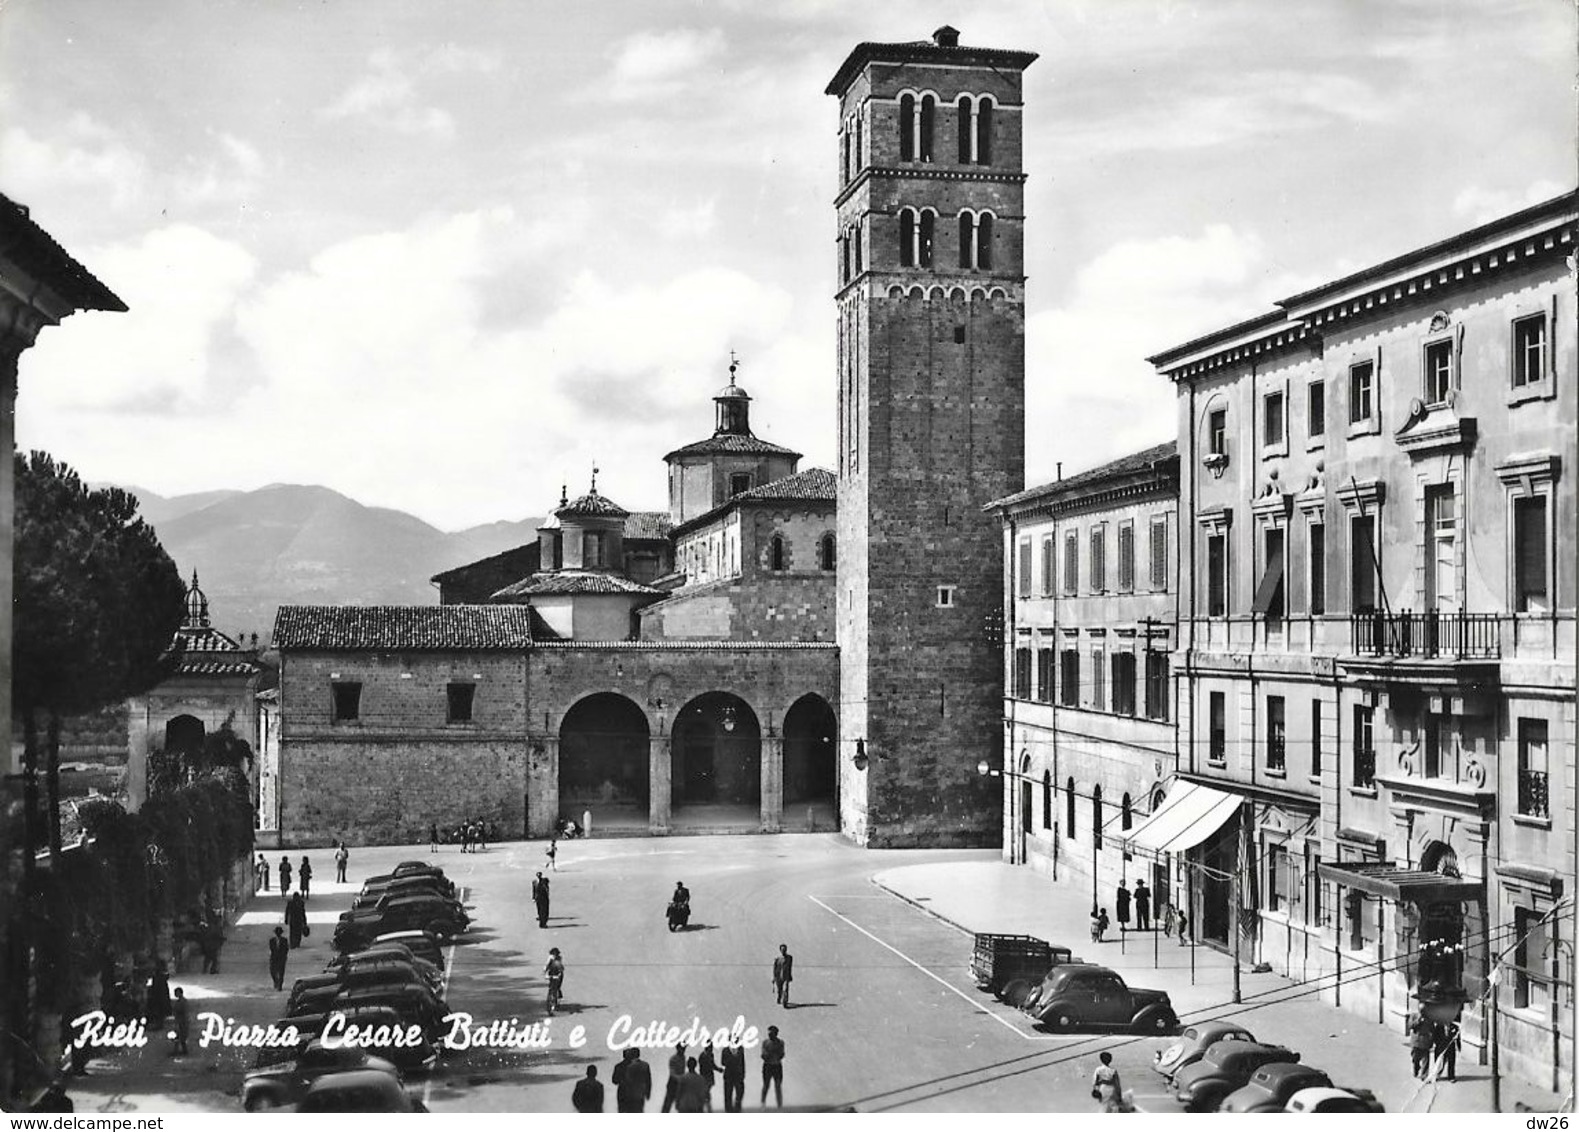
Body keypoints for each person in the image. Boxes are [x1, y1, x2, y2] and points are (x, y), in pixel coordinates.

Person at [612, 1048, 651, 1113]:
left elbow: (614, 1081)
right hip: (638, 1093)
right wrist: (647, 1092)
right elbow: (648, 1080)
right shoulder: (642, 1065)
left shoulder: (619, 1066)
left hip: (622, 1093)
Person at [760, 1025, 785, 1109]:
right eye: (769, 1033)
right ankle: (763, 1103)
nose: (769, 1035)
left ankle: (779, 1104)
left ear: (776, 1033)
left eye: (771, 1033)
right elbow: (763, 1055)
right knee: (766, 1085)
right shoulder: (765, 1042)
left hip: (777, 1066)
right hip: (768, 1066)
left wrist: (774, 1055)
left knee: (778, 1085)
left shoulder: (781, 1042)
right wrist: (770, 1054)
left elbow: (782, 1054)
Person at [721, 1041, 746, 1113]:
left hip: (738, 1075)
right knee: (728, 1094)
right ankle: (729, 1110)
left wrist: (743, 1073)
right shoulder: (725, 1050)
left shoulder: (740, 1049)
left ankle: (737, 1109)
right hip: (729, 1075)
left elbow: (742, 1062)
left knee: (739, 1093)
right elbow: (723, 1062)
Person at [145, 960, 171, 1027]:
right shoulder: (161, 975)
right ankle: (159, 1022)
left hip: (159, 994)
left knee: (159, 1008)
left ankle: (159, 1023)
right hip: (160, 994)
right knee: (160, 1009)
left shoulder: (158, 976)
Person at [661, 1043, 686, 1112]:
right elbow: (672, 1073)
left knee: (681, 1105)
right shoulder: (673, 1059)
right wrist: (680, 1078)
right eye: (682, 1048)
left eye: (684, 1048)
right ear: (678, 1048)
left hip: (680, 1084)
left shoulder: (683, 1057)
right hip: (673, 1084)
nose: (684, 1050)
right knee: (668, 1104)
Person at [1409, 1013, 1434, 1079]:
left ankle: (1424, 1076)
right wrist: (1418, 1020)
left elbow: (1432, 1029)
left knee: (1426, 1059)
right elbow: (1410, 1026)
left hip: (1425, 1041)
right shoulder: (1414, 1015)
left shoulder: (1430, 1017)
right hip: (1416, 1041)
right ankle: (1416, 1068)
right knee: (1415, 1058)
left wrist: (1431, 1041)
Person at [268, 926, 290, 991]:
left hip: (281, 958)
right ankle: (276, 981)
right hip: (274, 958)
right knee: (272, 971)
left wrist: (283, 956)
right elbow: (271, 949)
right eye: (277, 932)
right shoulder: (271, 940)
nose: (278, 934)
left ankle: (280, 986)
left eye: (279, 932)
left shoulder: (284, 940)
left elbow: (286, 949)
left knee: (281, 972)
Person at [698, 1041, 718, 1112]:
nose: (711, 1049)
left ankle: (706, 1108)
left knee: (706, 1093)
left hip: (709, 1077)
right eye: (710, 1047)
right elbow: (704, 1068)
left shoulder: (710, 1055)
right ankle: (706, 1109)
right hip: (705, 1077)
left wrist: (718, 1069)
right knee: (706, 1093)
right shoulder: (702, 1056)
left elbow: (712, 1065)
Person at [171, 988, 190, 1056]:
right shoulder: (182, 1001)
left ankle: (177, 1051)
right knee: (181, 1037)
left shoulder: (182, 1002)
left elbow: (184, 1013)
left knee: (179, 1037)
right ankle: (183, 1050)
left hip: (181, 1021)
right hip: (181, 1021)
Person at [545, 947, 565, 1012]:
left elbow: (561, 968)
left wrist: (559, 975)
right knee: (551, 986)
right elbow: (546, 966)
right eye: (553, 954)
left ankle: (558, 1001)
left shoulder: (559, 959)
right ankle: (550, 998)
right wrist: (545, 972)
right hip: (552, 974)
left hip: (558, 974)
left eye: (555, 954)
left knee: (558, 987)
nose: (554, 955)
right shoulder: (550, 958)